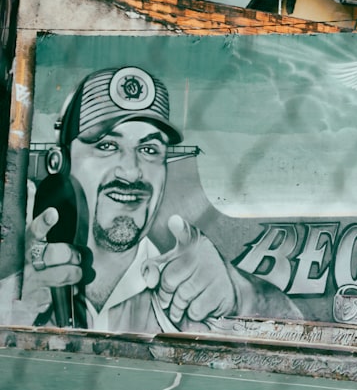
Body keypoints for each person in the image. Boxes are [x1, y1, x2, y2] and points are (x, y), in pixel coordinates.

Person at [10, 66, 303, 332]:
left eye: (149, 150)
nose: (132, 171)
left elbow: (296, 338)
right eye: (107, 145)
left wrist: (241, 297)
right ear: (59, 162)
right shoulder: (21, 288)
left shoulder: (186, 292)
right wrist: (15, 300)